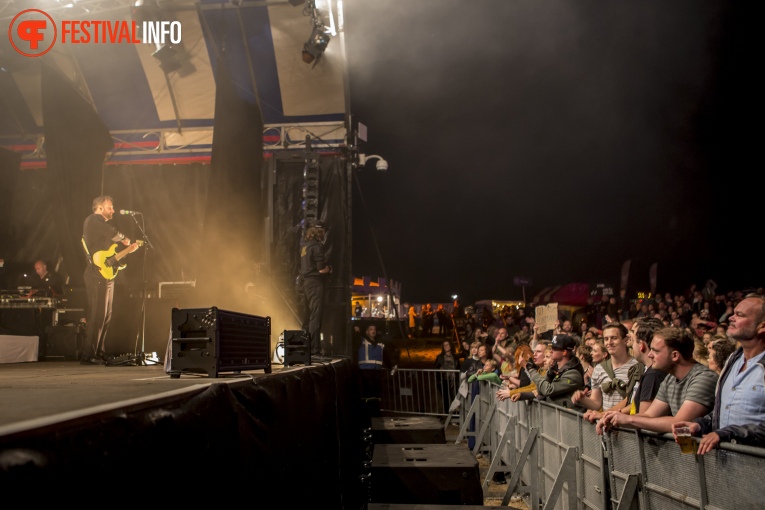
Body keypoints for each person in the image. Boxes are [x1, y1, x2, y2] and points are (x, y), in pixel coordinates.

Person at [672, 293, 765, 454]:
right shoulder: (732, 361)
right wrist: (700, 424)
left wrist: (727, 433)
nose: (731, 318)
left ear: (762, 326)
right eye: (733, 313)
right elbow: (722, 411)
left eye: (740, 315)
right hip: (725, 471)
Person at [598, 327, 718, 435]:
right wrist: (615, 419)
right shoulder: (670, 378)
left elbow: (680, 422)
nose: (649, 354)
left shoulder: (703, 378)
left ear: (675, 355)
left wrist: (629, 419)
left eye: (656, 351)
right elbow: (649, 415)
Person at [81, 195, 139, 365]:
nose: (113, 210)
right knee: (96, 313)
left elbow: (109, 257)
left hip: (106, 273)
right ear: (100, 208)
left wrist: (127, 251)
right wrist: (125, 239)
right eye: (110, 207)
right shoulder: (93, 220)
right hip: (94, 273)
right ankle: (88, 354)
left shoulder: (101, 227)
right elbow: (113, 233)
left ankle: (99, 352)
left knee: (106, 315)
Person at [572, 322, 639, 423]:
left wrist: (603, 414)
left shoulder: (638, 366)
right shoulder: (599, 369)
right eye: (606, 339)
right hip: (606, 429)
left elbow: (636, 402)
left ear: (625, 340)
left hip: (630, 430)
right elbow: (596, 403)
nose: (609, 342)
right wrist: (583, 399)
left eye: (614, 338)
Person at [514, 334, 585, 411]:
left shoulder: (573, 374)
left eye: (554, 348)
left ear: (564, 352)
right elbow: (540, 391)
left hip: (569, 421)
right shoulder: (556, 369)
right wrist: (549, 375)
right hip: (555, 418)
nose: (551, 350)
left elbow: (547, 390)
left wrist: (531, 370)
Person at [299, 220, 332, 358]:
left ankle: (307, 349)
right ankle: (314, 351)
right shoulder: (317, 247)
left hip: (306, 283)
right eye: (323, 231)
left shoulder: (305, 246)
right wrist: (329, 269)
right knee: (315, 317)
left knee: (308, 316)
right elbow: (321, 269)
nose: (324, 233)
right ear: (319, 231)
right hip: (315, 283)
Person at [356, 324, 391, 401]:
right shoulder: (362, 341)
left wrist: (390, 366)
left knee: (377, 396)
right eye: (371, 329)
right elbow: (355, 337)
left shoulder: (380, 343)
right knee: (368, 396)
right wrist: (357, 330)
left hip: (377, 371)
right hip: (365, 371)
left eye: (374, 329)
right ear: (366, 332)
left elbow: (385, 356)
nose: (373, 331)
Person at [434, 339, 458, 413]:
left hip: (453, 381)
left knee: (455, 398)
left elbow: (458, 367)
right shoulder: (440, 357)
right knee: (445, 399)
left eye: (447, 344)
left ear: (450, 345)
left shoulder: (455, 357)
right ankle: (447, 415)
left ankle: (456, 415)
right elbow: (435, 368)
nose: (446, 346)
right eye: (444, 345)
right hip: (443, 380)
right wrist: (439, 370)